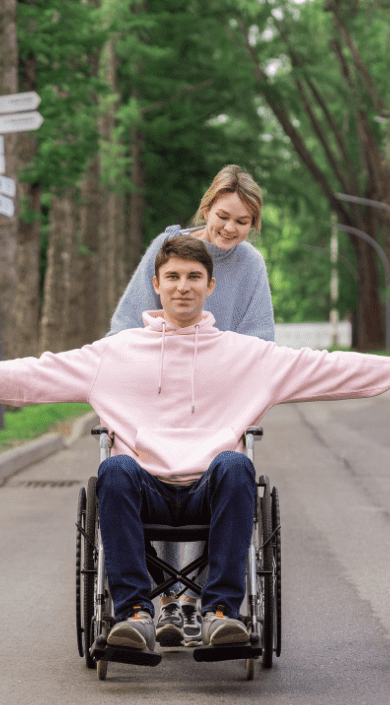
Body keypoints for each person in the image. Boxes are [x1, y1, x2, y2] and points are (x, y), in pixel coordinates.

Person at [0, 235, 390, 653]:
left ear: (211, 286)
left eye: (194, 277)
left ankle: (223, 611)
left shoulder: (248, 357)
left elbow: (327, 368)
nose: (183, 286)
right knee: (113, 471)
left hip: (210, 492)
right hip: (142, 491)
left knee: (236, 464)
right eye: (172, 277)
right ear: (157, 284)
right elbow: (37, 373)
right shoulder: (114, 355)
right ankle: (134, 616)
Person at [109, 164, 274, 647]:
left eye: (242, 222)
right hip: (156, 383)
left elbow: (262, 337)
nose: (230, 229)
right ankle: (157, 603)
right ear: (207, 208)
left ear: (252, 225)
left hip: (219, 390)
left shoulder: (252, 267)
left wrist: (224, 370)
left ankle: (205, 603)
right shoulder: (168, 253)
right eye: (223, 216)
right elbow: (124, 325)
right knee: (145, 459)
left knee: (220, 462)